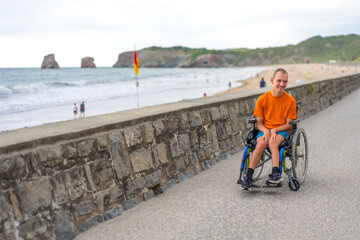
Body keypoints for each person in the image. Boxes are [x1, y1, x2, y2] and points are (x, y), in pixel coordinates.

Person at [241, 68, 297, 190]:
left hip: (282, 130)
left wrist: (274, 130)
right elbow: (259, 123)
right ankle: (248, 177)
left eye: (285, 81)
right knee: (261, 143)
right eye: (279, 81)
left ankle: (275, 174)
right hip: (264, 129)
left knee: (272, 142)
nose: (282, 84)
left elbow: (289, 125)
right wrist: (267, 130)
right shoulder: (262, 99)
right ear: (272, 80)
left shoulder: (290, 101)